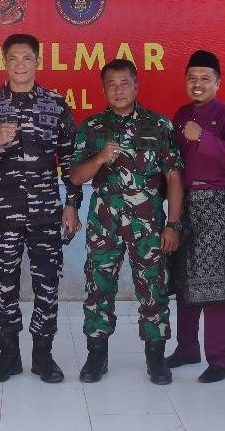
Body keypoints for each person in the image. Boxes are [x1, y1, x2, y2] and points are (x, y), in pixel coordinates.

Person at [0, 34, 81, 384]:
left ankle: (43, 355)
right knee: (4, 284)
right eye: (14, 58)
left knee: (47, 283)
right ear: (5, 62)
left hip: (46, 213)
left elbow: (70, 160)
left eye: (27, 58)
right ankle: (8, 355)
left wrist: (72, 205)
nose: (20, 64)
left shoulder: (56, 104)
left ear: (38, 61)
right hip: (3, 214)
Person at [68, 58, 183, 386]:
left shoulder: (159, 125)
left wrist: (172, 225)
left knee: (153, 288)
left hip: (148, 227)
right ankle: (96, 354)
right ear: (103, 89)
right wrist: (101, 158)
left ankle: (156, 357)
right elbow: (75, 176)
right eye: (111, 84)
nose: (118, 90)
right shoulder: (91, 128)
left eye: (124, 83)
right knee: (97, 288)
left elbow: (174, 178)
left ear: (136, 85)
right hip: (104, 226)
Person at [166, 50, 225, 383]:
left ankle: (221, 358)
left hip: (215, 204)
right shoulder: (181, 113)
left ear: (217, 82)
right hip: (183, 204)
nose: (197, 84)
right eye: (192, 78)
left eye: (204, 79)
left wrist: (203, 137)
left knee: (215, 284)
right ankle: (187, 348)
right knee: (184, 279)